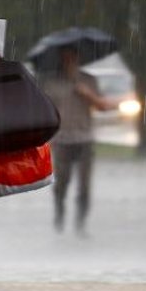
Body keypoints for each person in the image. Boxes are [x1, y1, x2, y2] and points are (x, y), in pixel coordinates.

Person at [39, 47, 119, 235]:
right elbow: (45, 110)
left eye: (73, 57)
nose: (69, 61)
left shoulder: (89, 80)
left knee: (84, 186)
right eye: (65, 57)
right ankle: (59, 216)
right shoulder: (52, 82)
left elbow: (103, 106)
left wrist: (87, 94)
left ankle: (80, 224)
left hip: (84, 139)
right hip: (62, 140)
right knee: (62, 184)